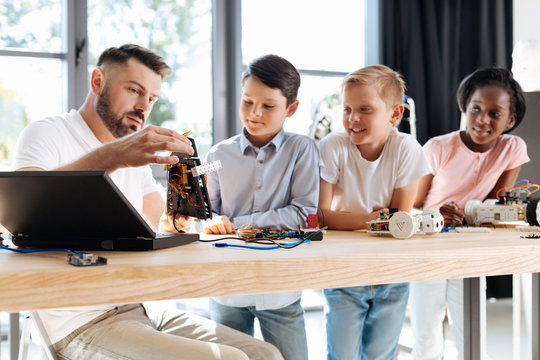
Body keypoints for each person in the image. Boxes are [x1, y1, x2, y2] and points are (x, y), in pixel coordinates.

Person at [12, 44, 282, 360]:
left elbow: (153, 223)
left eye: (151, 99)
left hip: (143, 308)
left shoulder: (135, 157)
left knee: (265, 354)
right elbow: (23, 214)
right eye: (134, 91)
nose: (144, 106)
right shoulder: (46, 134)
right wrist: (115, 155)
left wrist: (183, 214)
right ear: (98, 81)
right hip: (81, 324)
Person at [202, 54, 319, 360]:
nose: (254, 113)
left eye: (268, 106)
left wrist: (239, 223)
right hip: (227, 288)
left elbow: (304, 213)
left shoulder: (302, 149)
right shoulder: (216, 154)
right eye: (247, 102)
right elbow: (204, 214)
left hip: (280, 289)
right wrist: (211, 223)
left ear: (291, 108)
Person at [410, 67, 529, 360]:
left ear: (510, 120)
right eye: (476, 109)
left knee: (473, 332)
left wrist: (471, 215)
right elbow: (411, 206)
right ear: (465, 106)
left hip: (470, 248)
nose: (482, 120)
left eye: (494, 113)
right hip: (428, 247)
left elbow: (496, 204)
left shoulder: (512, 148)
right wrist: (438, 214)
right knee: (427, 338)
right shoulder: (438, 147)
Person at [318, 64, 432, 360]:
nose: (352, 119)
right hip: (344, 271)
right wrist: (373, 218)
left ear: (394, 114)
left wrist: (352, 220)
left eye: (365, 109)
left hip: (391, 272)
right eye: (347, 109)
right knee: (341, 355)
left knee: (381, 356)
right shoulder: (332, 146)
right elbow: (320, 216)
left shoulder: (407, 148)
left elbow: (398, 220)